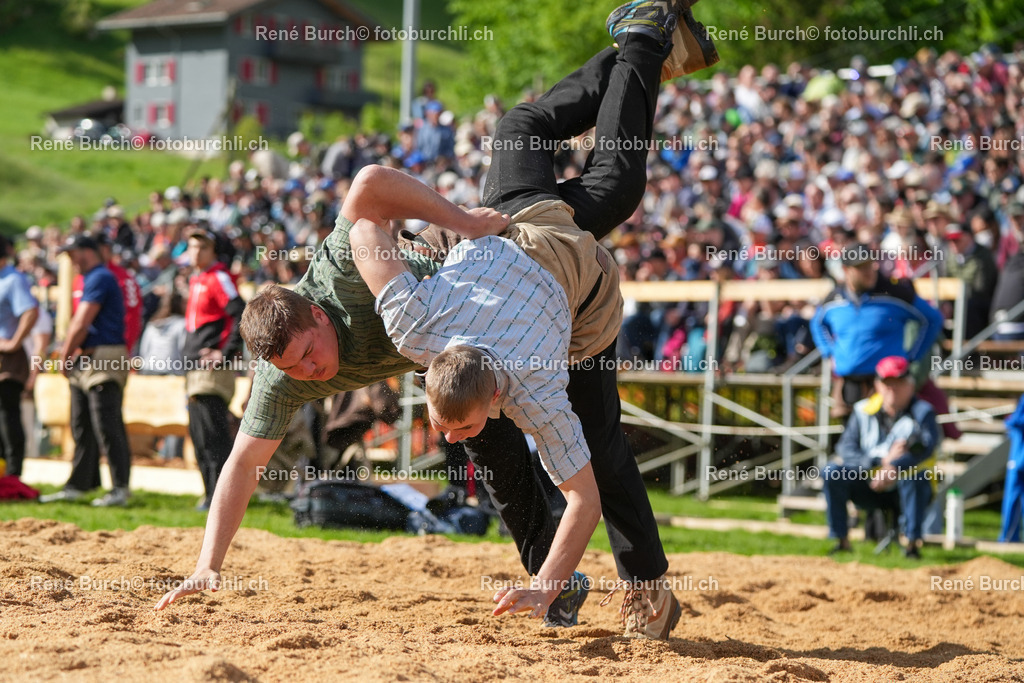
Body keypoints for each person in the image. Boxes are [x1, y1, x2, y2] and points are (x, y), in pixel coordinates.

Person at [155, 0, 718, 641]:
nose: (314, 373)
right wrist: (207, 564)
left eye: (311, 354)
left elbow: (368, 186)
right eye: (296, 370)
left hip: (542, 284)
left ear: (318, 311)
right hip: (479, 327)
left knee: (571, 170)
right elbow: (242, 465)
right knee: (484, 442)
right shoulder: (316, 365)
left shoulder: (374, 291)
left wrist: (461, 220)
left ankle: (646, 42)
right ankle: (645, 48)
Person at [40, 235, 132, 507]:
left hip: (104, 358)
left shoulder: (100, 277)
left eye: (72, 254)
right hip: (87, 358)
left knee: (108, 424)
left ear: (86, 252)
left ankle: (120, 489)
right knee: (81, 424)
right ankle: (80, 484)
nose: (69, 260)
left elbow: (81, 322)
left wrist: (64, 356)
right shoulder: (89, 279)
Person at [822, 355, 939, 559]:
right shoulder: (861, 409)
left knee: (916, 477)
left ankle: (912, 546)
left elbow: (924, 448)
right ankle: (842, 541)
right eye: (887, 383)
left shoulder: (924, 412)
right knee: (832, 472)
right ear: (877, 385)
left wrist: (893, 467)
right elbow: (846, 449)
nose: (892, 389)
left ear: (910, 385)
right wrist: (879, 462)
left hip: (907, 487)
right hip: (870, 484)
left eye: (898, 383)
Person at [811, 244, 944, 419]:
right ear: (845, 270)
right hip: (849, 385)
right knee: (847, 442)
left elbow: (933, 319)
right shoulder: (833, 299)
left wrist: (913, 355)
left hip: (887, 385)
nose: (869, 271)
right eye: (861, 267)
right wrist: (829, 352)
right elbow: (816, 323)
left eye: (871, 265)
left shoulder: (895, 293)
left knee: (889, 441)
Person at [183, 228, 246, 510]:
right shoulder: (199, 278)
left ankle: (221, 498)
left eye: (202, 248)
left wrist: (224, 352)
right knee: (199, 435)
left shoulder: (219, 277)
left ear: (213, 251)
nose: (196, 253)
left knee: (213, 435)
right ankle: (211, 495)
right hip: (196, 370)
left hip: (211, 372)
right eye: (192, 247)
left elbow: (241, 312)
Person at [0, 235, 39, 479]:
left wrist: (14, 342)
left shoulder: (13, 279)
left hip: (7, 358)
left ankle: (13, 475)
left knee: (7, 415)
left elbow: (30, 311)